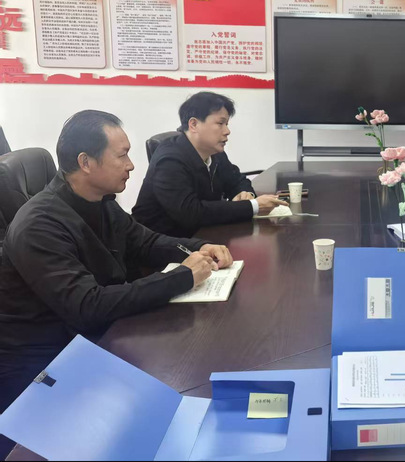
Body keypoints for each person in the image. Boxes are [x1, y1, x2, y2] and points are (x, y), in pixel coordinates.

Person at [0, 110, 233, 416]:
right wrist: (183, 276)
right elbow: (87, 306)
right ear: (86, 162)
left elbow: (145, 242)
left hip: (93, 336)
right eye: (122, 156)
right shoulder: (38, 225)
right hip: (44, 362)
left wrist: (200, 247)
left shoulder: (100, 201)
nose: (131, 165)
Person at [133, 92, 287, 238]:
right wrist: (253, 206)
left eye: (227, 124)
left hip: (203, 234)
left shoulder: (214, 152)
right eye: (220, 123)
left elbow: (237, 180)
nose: (227, 131)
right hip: (163, 243)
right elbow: (191, 213)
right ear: (194, 124)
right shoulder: (170, 160)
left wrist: (245, 194)